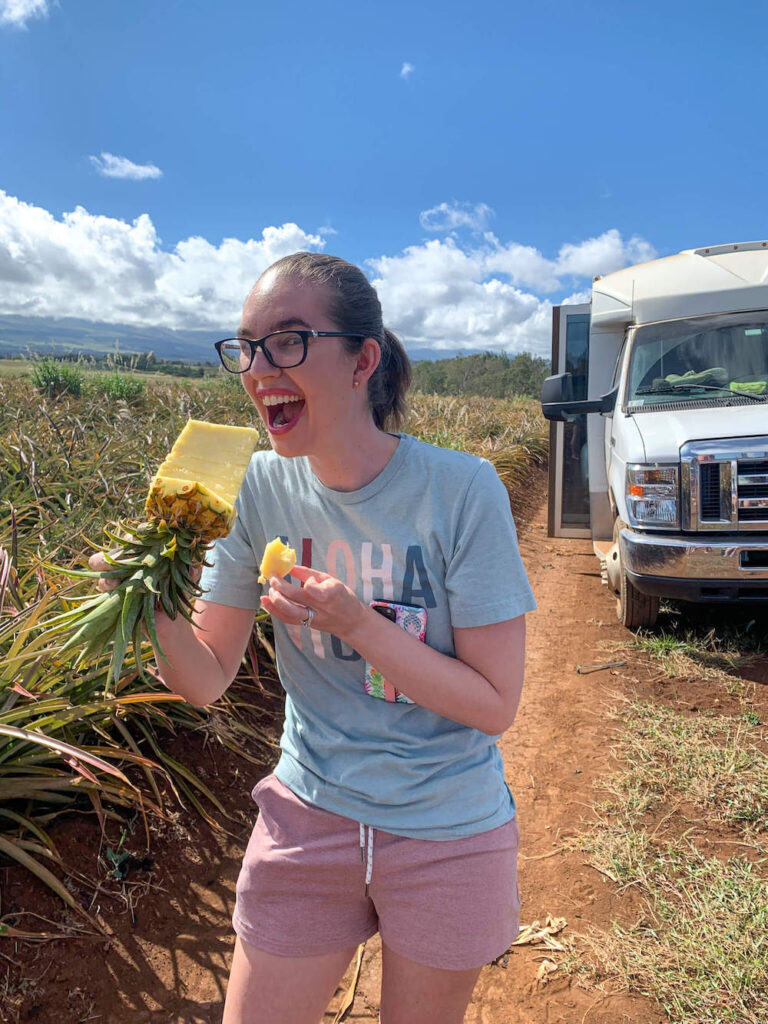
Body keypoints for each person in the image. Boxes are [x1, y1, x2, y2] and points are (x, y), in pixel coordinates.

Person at [95, 253, 536, 1024]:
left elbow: (495, 705)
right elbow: (204, 679)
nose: (259, 367)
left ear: (364, 360)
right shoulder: (258, 487)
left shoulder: (461, 490)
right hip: (309, 815)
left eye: (289, 340)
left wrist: (356, 624)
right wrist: (145, 589)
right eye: (246, 346)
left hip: (447, 831)